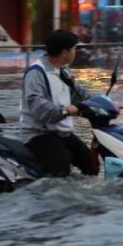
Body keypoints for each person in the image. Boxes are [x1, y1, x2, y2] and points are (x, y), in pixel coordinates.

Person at [19, 29, 99, 177]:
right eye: (74, 49)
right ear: (64, 52)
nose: (76, 52)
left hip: (62, 133)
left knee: (91, 165)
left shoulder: (63, 72)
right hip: (39, 135)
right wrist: (65, 110)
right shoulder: (36, 73)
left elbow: (80, 94)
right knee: (60, 175)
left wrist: (104, 104)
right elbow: (38, 106)